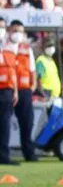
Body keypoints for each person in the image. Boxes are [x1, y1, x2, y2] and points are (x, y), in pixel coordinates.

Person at [6, 22, 37, 162]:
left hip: (24, 90)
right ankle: (4, 153)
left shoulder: (26, 49)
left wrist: (33, 85)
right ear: (9, 30)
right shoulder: (4, 47)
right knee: (4, 122)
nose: (18, 33)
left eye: (21, 31)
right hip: (7, 88)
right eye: (15, 30)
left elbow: (32, 69)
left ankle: (29, 153)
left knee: (27, 123)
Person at [0, 18, 16, 165]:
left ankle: (4, 156)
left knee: (5, 124)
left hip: (6, 90)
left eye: (3, 27)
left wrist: (15, 91)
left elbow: (12, 71)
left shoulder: (9, 49)